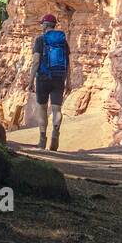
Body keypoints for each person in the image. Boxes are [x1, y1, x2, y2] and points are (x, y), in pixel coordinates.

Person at [30, 14, 70, 150]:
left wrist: (30, 81)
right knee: (57, 109)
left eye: (42, 23)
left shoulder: (40, 40)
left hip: (43, 78)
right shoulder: (62, 41)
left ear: (46, 25)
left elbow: (36, 61)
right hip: (59, 77)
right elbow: (68, 63)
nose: (41, 26)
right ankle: (55, 135)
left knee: (42, 107)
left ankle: (42, 139)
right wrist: (68, 81)